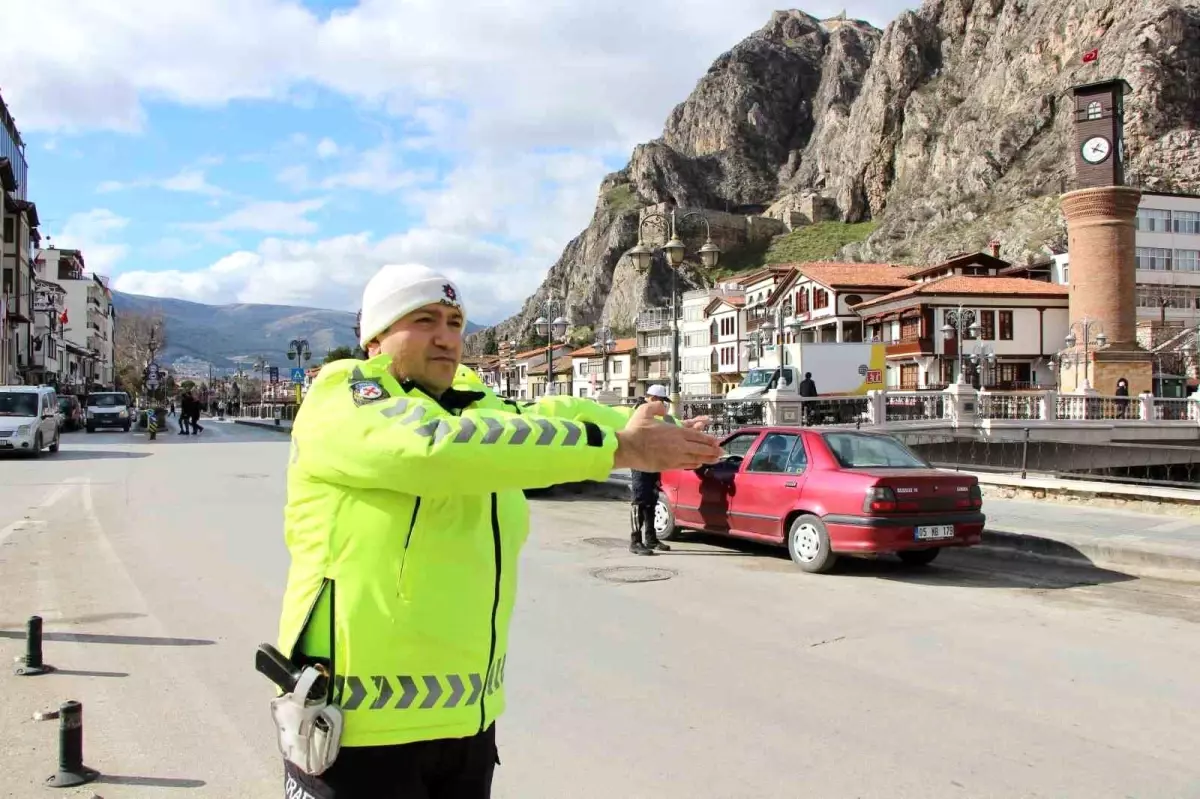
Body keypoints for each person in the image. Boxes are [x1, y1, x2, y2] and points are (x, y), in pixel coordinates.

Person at [275, 263, 723, 799]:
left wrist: (644, 424)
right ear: (375, 338)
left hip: (466, 726)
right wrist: (621, 450)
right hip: (355, 730)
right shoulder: (343, 400)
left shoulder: (476, 404)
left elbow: (550, 411)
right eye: (423, 320)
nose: (446, 338)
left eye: (455, 322)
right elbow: (432, 448)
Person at [629, 384, 671, 556]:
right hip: (639, 463)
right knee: (639, 502)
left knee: (651, 501)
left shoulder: (652, 415)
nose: (664, 406)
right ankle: (635, 541)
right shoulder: (639, 413)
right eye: (662, 401)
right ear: (653, 399)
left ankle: (651, 538)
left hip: (652, 463)